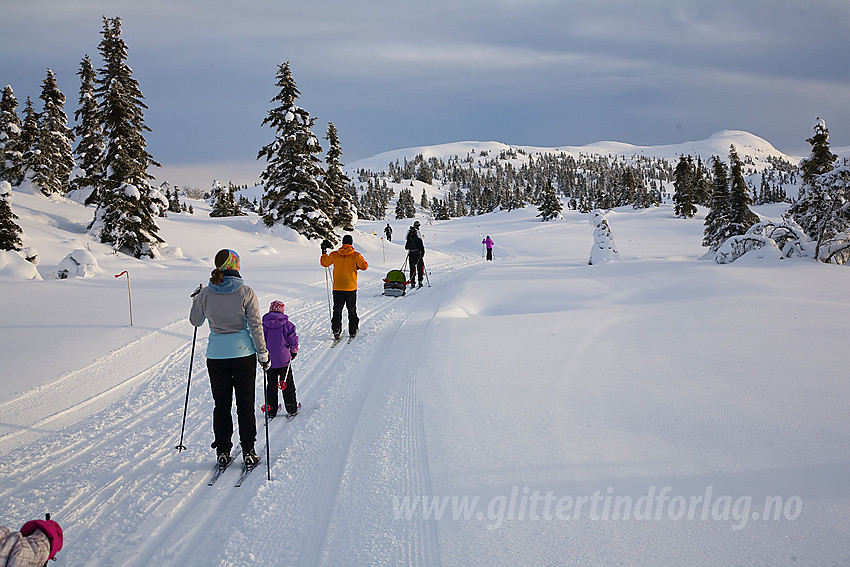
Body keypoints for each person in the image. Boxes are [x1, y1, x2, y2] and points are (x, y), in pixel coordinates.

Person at [190, 249, 269, 469]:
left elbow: (196, 321)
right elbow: (255, 325)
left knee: (221, 404)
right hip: (243, 354)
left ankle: (223, 450)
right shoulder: (246, 292)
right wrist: (262, 352)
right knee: (245, 403)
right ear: (233, 265)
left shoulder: (206, 292)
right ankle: (249, 451)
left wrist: (197, 299)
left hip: (216, 356)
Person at [320, 234, 368, 340]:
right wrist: (356, 267)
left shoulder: (334, 254)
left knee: (337, 310)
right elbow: (364, 266)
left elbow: (325, 263)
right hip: (350, 287)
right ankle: (353, 331)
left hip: (337, 287)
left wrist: (324, 251)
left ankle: (336, 331)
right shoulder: (356, 255)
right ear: (351, 243)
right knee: (351, 309)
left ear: (342, 243)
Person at [262, 300, 300, 418]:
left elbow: (260, 340)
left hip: (269, 360)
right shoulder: (287, 325)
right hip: (284, 360)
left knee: (271, 385)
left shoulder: (263, 325)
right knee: (287, 384)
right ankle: (291, 407)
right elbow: (293, 341)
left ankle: (271, 410)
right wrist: (293, 352)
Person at [405, 221, 425, 287]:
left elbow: (406, 247)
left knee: (412, 269)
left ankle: (412, 282)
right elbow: (422, 248)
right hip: (418, 255)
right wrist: (422, 255)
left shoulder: (409, 239)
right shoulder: (419, 239)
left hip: (411, 255)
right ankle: (420, 282)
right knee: (419, 268)